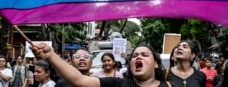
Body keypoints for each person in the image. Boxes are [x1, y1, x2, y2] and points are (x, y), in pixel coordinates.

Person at [31, 43, 172, 87]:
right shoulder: (117, 84)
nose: (138, 57)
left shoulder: (171, 85)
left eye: (144, 55)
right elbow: (79, 80)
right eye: (134, 56)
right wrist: (51, 55)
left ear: (155, 64)